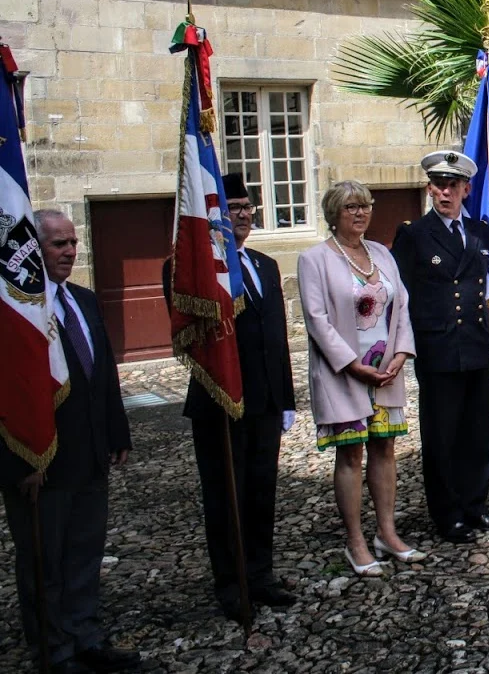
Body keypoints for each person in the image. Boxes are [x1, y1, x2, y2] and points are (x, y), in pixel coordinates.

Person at [1, 210, 137, 674]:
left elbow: (104, 372)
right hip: (40, 459)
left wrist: (116, 430)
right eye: (58, 244)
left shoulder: (83, 299)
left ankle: (85, 635)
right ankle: (53, 648)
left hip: (89, 451)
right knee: (44, 560)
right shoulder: (14, 310)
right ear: (32, 248)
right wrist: (19, 460)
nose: (70, 251)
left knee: (84, 552)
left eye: (73, 243)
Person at [161, 173, 298, 620]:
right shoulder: (191, 269)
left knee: (261, 491)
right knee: (226, 495)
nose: (241, 215)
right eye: (232, 208)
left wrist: (286, 398)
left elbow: (276, 339)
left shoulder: (265, 265)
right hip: (221, 401)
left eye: (246, 208)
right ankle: (230, 580)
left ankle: (260, 573)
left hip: (264, 401)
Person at [298, 180, 420, 576]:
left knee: (385, 448)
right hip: (345, 372)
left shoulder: (381, 253)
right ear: (334, 213)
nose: (360, 212)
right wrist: (351, 364)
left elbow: (402, 305)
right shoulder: (314, 259)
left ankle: (387, 533)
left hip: (385, 370)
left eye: (365, 205)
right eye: (351, 206)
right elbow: (316, 319)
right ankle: (356, 541)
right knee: (351, 453)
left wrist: (401, 353)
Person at [391, 151, 489, 544]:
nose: (445, 192)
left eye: (452, 186)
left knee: (478, 434)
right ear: (429, 189)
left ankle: (475, 505)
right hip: (438, 348)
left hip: (474, 346)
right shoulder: (414, 235)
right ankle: (447, 515)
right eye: (438, 185)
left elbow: (488, 293)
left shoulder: (479, 232)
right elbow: (399, 298)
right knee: (442, 437)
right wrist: (401, 348)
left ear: (466, 189)